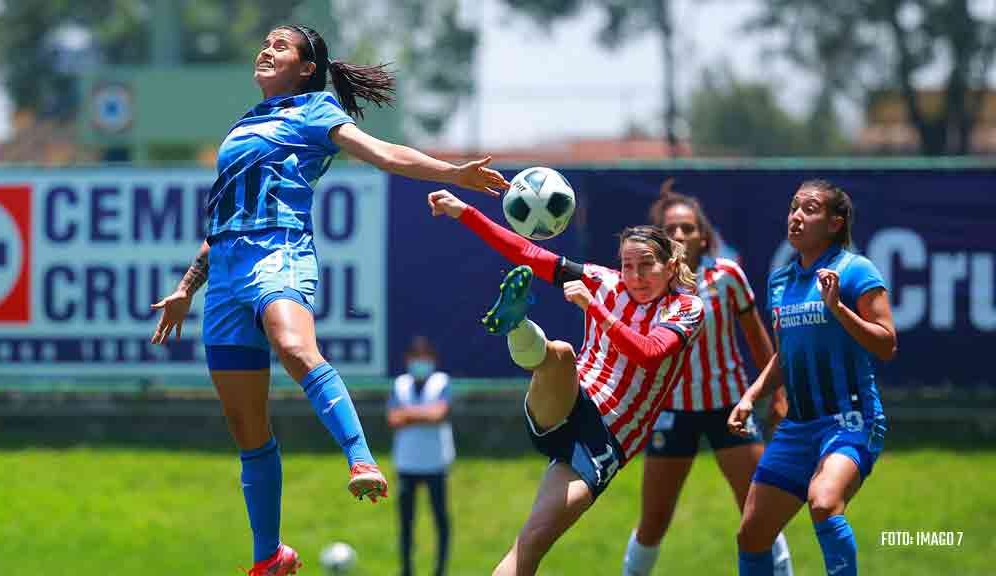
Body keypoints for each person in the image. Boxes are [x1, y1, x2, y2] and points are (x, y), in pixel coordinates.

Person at [149, 23, 508, 576]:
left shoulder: (315, 110)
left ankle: (360, 458)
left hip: (279, 252)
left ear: (306, 67)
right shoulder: (247, 122)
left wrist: (451, 172)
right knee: (246, 427)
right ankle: (269, 556)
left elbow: (382, 152)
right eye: (265, 43)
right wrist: (185, 287)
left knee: (294, 348)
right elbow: (224, 218)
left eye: (280, 46)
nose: (266, 50)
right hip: (223, 274)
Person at [427, 188, 705, 576]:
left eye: (646, 266)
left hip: (604, 441)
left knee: (531, 545)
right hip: (568, 399)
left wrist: (596, 310)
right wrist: (465, 212)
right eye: (628, 266)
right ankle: (517, 324)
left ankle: (520, 328)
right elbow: (528, 254)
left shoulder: (688, 307)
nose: (636, 277)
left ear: (670, 266)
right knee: (561, 355)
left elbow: (649, 353)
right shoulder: (604, 282)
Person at [728, 179, 897, 576]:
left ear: (836, 223)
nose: (796, 216)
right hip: (798, 427)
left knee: (823, 501)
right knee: (751, 535)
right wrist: (751, 396)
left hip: (850, 421)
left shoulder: (856, 270)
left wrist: (838, 308)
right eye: (793, 208)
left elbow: (887, 344)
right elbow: (786, 356)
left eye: (810, 208)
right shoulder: (781, 281)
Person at [622, 188, 793, 575]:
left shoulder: (727, 276)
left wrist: (777, 394)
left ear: (704, 236)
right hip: (672, 411)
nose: (680, 234)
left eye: (688, 227)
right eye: (671, 229)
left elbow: (756, 336)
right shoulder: (645, 284)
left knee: (758, 513)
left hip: (729, 407)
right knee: (654, 522)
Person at [388, 335, 455, 576]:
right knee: (406, 523)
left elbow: (439, 414)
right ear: (408, 359)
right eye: (415, 357)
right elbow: (393, 419)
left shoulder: (442, 382)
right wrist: (424, 413)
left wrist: (408, 414)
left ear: (433, 359)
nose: (419, 362)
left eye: (424, 357)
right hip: (406, 463)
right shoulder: (400, 384)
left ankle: (440, 570)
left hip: (436, 462)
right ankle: (406, 570)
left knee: (441, 520)